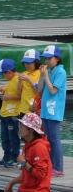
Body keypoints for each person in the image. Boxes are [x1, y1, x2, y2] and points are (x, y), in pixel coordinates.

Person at [0, 112, 53, 192]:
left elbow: (41, 174)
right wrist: (12, 183)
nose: (20, 128)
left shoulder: (39, 147)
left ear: (30, 130)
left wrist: (24, 163)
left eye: (22, 126)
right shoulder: (28, 145)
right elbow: (26, 174)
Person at [36, 44, 66, 177]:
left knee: (54, 139)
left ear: (57, 59)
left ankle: (58, 168)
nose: (47, 61)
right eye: (45, 59)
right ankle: (50, 165)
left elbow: (53, 91)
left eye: (49, 58)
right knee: (47, 139)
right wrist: (42, 76)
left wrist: (46, 76)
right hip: (46, 110)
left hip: (54, 111)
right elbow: (39, 90)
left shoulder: (61, 72)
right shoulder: (49, 71)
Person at [0, 58, 22, 168]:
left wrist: (7, 96)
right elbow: (11, 88)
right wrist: (4, 89)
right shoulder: (12, 80)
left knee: (13, 137)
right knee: (4, 137)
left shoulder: (18, 79)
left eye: (3, 74)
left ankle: (14, 157)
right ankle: (6, 156)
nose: (3, 76)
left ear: (9, 72)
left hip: (13, 114)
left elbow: (20, 95)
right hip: (5, 114)